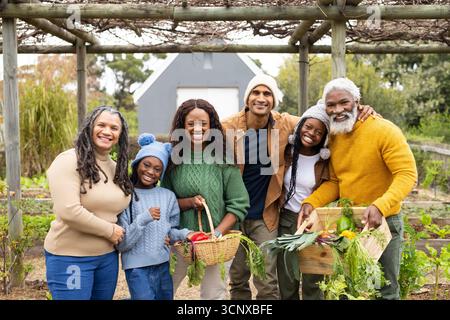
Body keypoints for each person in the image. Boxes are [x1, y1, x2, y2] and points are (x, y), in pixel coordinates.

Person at [222, 74, 377, 300]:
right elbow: (199, 134)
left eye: (267, 94)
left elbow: (316, 119)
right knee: (237, 277)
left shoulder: (284, 123)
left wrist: (358, 108)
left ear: (274, 100)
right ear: (247, 98)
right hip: (233, 213)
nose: (261, 98)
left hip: (265, 215)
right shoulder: (227, 127)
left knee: (267, 279)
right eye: (256, 92)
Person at [299, 77, 418, 300]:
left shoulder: (384, 130)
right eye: (331, 105)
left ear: (357, 101)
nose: (338, 109)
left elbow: (407, 174)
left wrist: (380, 206)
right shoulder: (335, 136)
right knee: (346, 288)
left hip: (384, 222)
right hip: (351, 224)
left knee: (384, 288)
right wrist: (311, 202)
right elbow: (336, 182)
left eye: (344, 102)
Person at [161, 99, 250, 300]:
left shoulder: (223, 160)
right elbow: (165, 202)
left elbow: (239, 204)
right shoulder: (173, 160)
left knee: (214, 295)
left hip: (214, 244)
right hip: (180, 240)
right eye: (191, 123)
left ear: (212, 126)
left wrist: (216, 234)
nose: (197, 128)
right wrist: (189, 202)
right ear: (182, 127)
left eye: (203, 123)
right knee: (163, 290)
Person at [44, 106, 132, 300]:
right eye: (101, 125)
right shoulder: (69, 161)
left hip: (107, 259)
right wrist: (111, 231)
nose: (107, 131)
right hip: (71, 258)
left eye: (114, 128)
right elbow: (69, 211)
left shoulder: (116, 168)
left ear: (121, 135)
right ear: (90, 127)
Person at [116, 133, 193, 300]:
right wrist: (144, 218)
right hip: (136, 268)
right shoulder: (126, 196)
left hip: (163, 264)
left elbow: (170, 232)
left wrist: (186, 234)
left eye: (157, 169)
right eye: (146, 164)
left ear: (162, 173)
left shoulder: (168, 196)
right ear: (137, 164)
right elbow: (122, 244)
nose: (150, 171)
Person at [278, 104, 331, 300]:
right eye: (308, 126)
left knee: (313, 281)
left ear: (324, 137)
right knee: (287, 279)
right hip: (286, 220)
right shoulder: (286, 153)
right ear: (300, 126)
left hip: (313, 223)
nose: (311, 133)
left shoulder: (325, 161)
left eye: (319, 131)